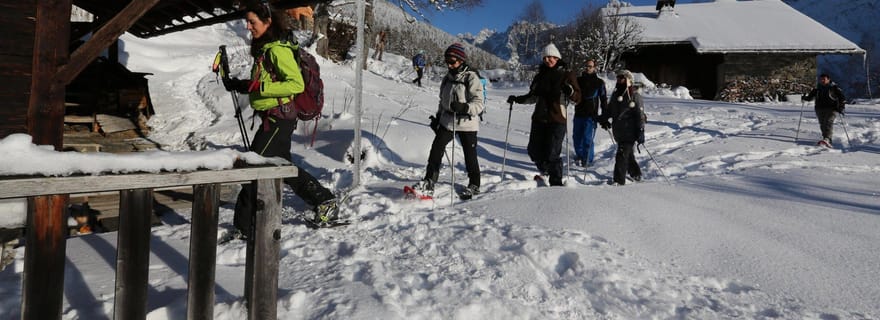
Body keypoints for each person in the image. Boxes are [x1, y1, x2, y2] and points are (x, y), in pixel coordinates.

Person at [222, 3, 339, 234]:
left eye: (252, 22)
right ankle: (324, 201)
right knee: (284, 167)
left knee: (251, 167)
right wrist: (241, 85)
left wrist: (258, 86)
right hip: (274, 118)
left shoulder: (278, 49)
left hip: (277, 119)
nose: (248, 26)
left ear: (267, 21)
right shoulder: (267, 48)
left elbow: (295, 84)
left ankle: (243, 227)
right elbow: (264, 84)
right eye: (247, 22)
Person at [411, 43, 484, 198]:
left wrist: (464, 107)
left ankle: (474, 184)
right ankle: (429, 181)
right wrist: (438, 118)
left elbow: (479, 105)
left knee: (470, 155)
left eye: (452, 62)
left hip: (467, 124)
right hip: (447, 122)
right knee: (436, 149)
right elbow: (442, 101)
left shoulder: (471, 77)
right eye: (447, 62)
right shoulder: (447, 78)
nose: (449, 65)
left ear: (460, 60)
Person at [507, 43, 581, 186]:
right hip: (539, 118)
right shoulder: (540, 76)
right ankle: (545, 171)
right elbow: (533, 96)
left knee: (552, 153)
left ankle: (556, 184)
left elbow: (578, 97)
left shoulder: (566, 74)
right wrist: (517, 99)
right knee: (533, 151)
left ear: (557, 57)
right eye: (545, 57)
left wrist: (570, 92)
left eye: (551, 57)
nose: (548, 60)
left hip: (557, 118)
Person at [598, 70, 646, 186]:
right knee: (627, 155)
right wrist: (603, 119)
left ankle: (618, 181)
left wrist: (640, 130)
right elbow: (610, 110)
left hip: (630, 132)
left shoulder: (635, 95)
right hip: (619, 131)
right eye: (618, 78)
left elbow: (640, 115)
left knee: (621, 155)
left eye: (622, 78)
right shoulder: (616, 95)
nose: (619, 80)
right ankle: (636, 174)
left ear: (629, 80)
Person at [573, 58, 607, 167]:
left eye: (590, 66)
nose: (588, 68)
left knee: (587, 139)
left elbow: (603, 98)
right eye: (586, 66)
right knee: (576, 138)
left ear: (594, 68)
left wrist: (604, 115)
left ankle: (587, 159)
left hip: (591, 115)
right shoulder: (578, 80)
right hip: (578, 113)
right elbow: (572, 94)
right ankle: (579, 155)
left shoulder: (599, 82)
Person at [802, 73, 846, 147]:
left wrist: (841, 107)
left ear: (828, 79)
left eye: (824, 79)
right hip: (819, 108)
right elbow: (810, 97)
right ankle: (825, 138)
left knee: (828, 122)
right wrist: (804, 98)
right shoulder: (817, 88)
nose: (822, 80)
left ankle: (827, 139)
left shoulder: (834, 88)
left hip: (832, 108)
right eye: (821, 79)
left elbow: (842, 98)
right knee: (822, 124)